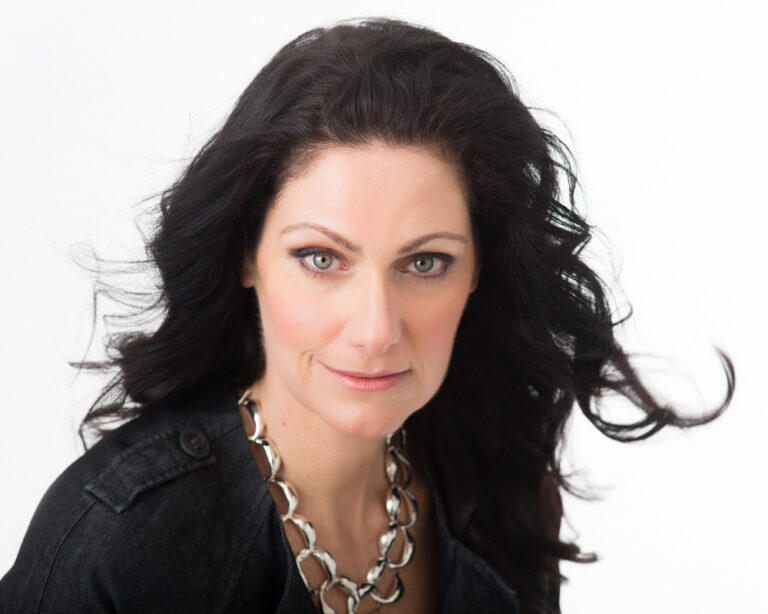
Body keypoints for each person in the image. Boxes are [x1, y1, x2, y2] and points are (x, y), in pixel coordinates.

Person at [0, 16, 734, 614]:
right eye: (321, 258)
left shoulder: (497, 482)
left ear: (479, 271)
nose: (376, 330)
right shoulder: (126, 534)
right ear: (246, 256)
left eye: (426, 263)